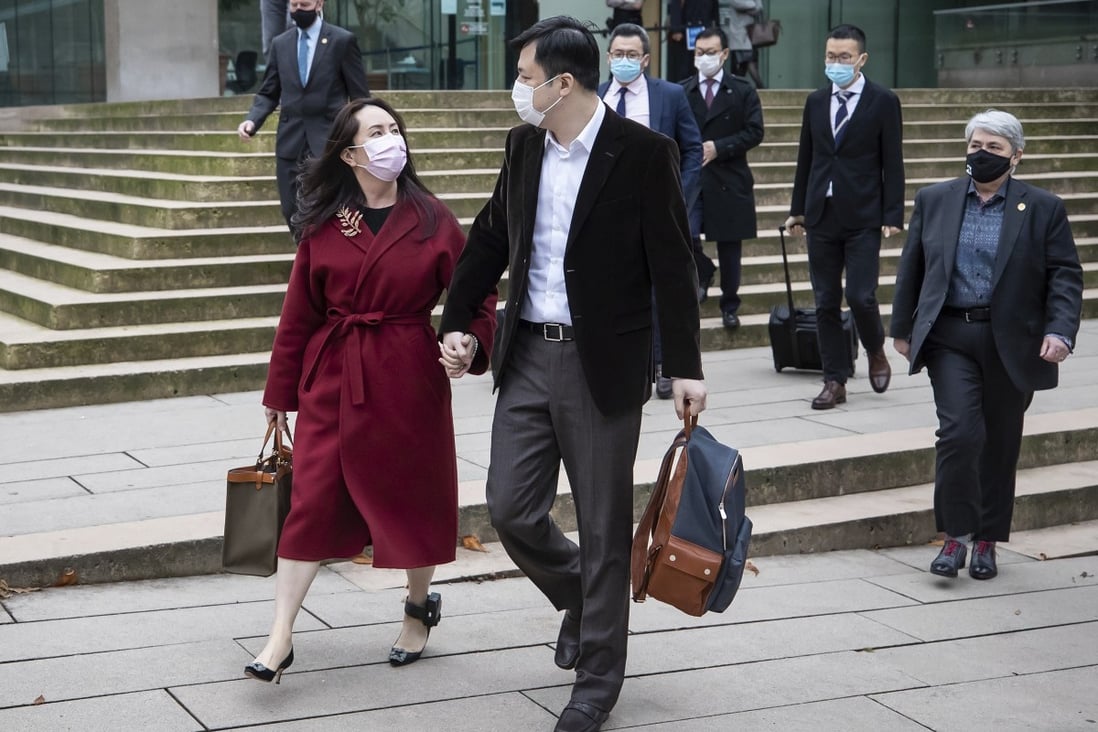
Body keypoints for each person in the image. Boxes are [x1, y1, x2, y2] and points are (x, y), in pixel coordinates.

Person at [438, 16, 707, 732]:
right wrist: (458, 322)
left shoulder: (642, 153)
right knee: (510, 508)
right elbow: (492, 233)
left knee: (602, 525)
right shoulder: (524, 145)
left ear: (562, 83)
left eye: (524, 77)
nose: (516, 90)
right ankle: (586, 605)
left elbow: (674, 265)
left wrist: (685, 366)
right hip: (525, 353)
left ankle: (596, 683)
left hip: (603, 364)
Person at [246, 98, 497, 684]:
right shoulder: (326, 224)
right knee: (309, 501)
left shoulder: (434, 218)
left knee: (413, 499)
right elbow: (298, 313)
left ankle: (417, 606)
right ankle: (280, 636)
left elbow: (475, 299)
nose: (391, 140)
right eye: (376, 132)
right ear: (350, 153)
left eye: (394, 129)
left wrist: (466, 343)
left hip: (407, 377)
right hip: (333, 376)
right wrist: (278, 393)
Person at [890, 109, 1082, 581]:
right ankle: (955, 537)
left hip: (1011, 342)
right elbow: (913, 264)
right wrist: (901, 326)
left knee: (1000, 443)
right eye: (976, 145)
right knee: (958, 434)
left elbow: (1064, 275)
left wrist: (1059, 331)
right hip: (950, 335)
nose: (982, 154)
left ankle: (988, 541)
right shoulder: (935, 198)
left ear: (1016, 156)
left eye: (994, 148)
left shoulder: (1042, 207)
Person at [784, 23, 904, 410]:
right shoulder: (816, 102)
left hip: (864, 214)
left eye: (844, 57)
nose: (836, 63)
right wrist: (797, 211)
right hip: (822, 213)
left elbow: (893, 163)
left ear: (861, 59)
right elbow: (807, 158)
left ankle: (875, 350)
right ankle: (834, 379)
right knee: (825, 301)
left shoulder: (883, 101)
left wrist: (892, 213)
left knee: (860, 295)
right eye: (831, 57)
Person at [597, 22, 703, 398]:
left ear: (645, 59)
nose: (623, 60)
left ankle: (664, 366)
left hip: (655, 208)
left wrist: (680, 194)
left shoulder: (669, 95)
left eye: (631, 54)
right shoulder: (594, 96)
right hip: (605, 212)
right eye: (617, 54)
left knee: (661, 288)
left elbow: (692, 148)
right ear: (608, 57)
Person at [237, 0, 370, 229]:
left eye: (304, 4)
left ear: (319, 4)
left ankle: (317, 261)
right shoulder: (280, 44)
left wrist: (366, 132)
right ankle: (308, 257)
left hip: (328, 140)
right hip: (290, 140)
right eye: (294, 5)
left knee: (324, 207)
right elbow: (269, 92)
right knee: (291, 209)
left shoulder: (342, 41)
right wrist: (252, 119)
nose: (298, 10)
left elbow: (359, 96)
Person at [681, 26, 763, 331]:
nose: (704, 58)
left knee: (731, 247)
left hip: (730, 177)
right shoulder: (683, 90)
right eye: (700, 52)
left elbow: (755, 131)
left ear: (725, 54)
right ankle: (703, 272)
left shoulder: (742, 90)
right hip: (694, 178)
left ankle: (730, 305)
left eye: (711, 52)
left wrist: (720, 147)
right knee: (685, 233)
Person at [666, 0, 719, 82]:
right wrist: (676, 29)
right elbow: (676, 5)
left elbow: (714, 10)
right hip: (685, 32)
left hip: (705, 29)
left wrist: (716, 31)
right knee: (685, 69)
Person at [726, 0, 764, 88]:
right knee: (742, 67)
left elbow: (759, 6)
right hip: (739, 35)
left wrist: (752, 8)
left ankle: (760, 88)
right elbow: (739, 3)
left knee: (748, 64)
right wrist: (753, 6)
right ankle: (761, 87)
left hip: (751, 35)